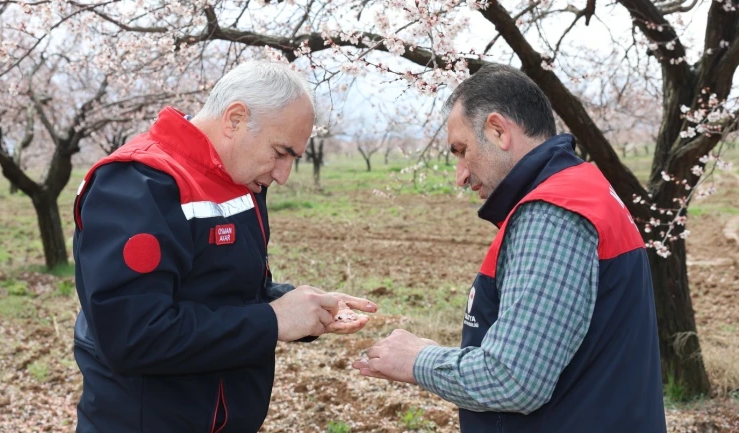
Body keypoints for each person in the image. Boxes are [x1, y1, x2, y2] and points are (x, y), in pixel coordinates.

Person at [353, 64, 666, 432]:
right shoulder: (583, 190)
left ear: (499, 130)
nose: (460, 176)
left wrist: (416, 359)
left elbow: (513, 380)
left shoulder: (552, 214)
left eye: (461, 150)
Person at [72, 61, 377, 433]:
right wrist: (274, 320)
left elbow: (222, 291)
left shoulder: (240, 181)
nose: (283, 175)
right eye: (280, 152)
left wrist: (304, 306)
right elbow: (134, 336)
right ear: (234, 119)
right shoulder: (138, 184)